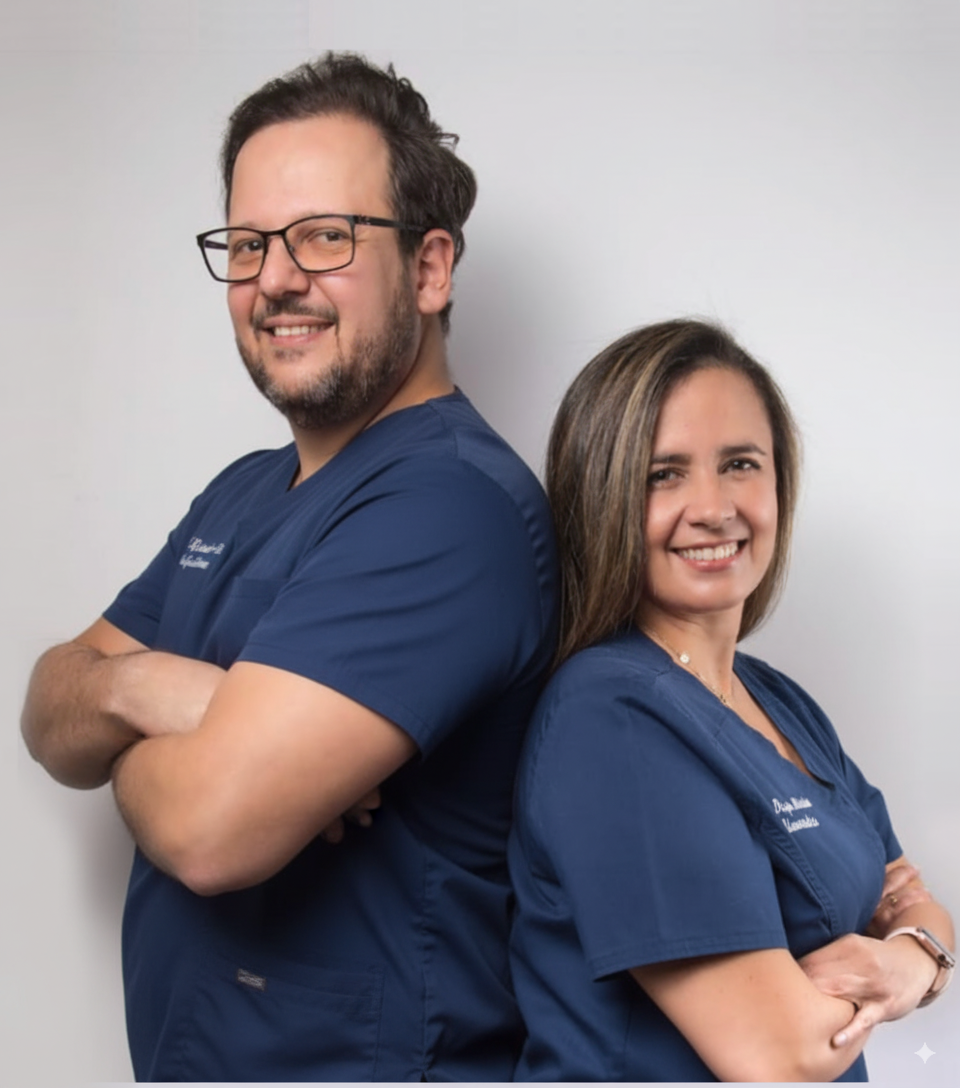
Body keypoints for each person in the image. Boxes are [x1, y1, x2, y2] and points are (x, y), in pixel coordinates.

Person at [21, 53, 558, 1082]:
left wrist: (133, 722)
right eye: (248, 243)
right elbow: (48, 710)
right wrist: (159, 690)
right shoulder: (244, 490)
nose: (274, 278)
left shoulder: (451, 507)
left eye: (325, 236)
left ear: (430, 268)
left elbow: (209, 828)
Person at [508, 319, 954, 1082]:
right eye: (663, 474)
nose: (713, 508)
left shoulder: (778, 701)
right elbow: (783, 1052)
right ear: (602, 495)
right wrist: (907, 969)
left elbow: (910, 897)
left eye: (740, 464)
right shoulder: (610, 719)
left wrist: (913, 962)